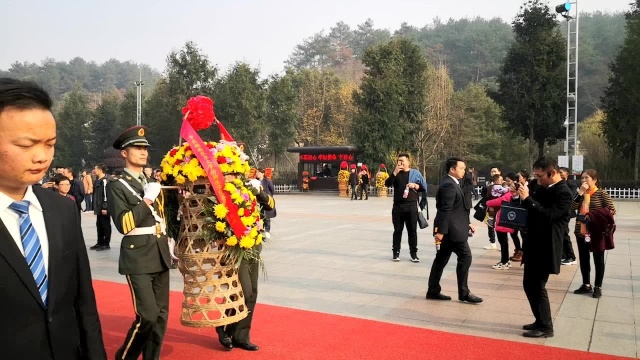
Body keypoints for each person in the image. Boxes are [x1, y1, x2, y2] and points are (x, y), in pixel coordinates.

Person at [0, 78, 106, 359]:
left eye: (49, 144)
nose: (42, 157)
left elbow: (83, 302)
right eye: (26, 145)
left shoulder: (62, 210)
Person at [106, 125, 172, 360]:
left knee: (161, 316)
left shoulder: (151, 182)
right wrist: (146, 200)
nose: (143, 152)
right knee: (148, 316)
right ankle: (125, 357)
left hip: (160, 253)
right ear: (124, 153)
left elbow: (164, 218)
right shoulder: (117, 185)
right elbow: (124, 225)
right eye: (137, 148)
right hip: (138, 257)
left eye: (145, 148)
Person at [216, 175, 275, 352]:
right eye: (229, 170)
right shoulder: (220, 192)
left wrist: (259, 191)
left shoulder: (249, 189)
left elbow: (271, 207)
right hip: (234, 248)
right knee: (241, 291)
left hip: (253, 245)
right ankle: (224, 328)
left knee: (252, 293)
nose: (232, 175)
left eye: (237, 171)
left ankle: (241, 336)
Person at [518, 156, 572, 338]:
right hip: (534, 243)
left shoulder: (564, 192)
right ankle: (539, 320)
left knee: (537, 286)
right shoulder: (542, 187)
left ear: (553, 173)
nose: (537, 179)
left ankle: (546, 326)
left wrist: (528, 200)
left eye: (540, 176)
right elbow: (532, 208)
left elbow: (549, 216)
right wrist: (522, 195)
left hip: (547, 246)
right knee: (528, 284)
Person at [426, 157, 482, 304]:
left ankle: (433, 290)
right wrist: (441, 233)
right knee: (465, 256)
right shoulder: (449, 185)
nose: (464, 171)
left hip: (452, 228)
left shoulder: (451, 182)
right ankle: (464, 292)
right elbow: (445, 210)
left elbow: (457, 208)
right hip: (451, 231)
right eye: (462, 168)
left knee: (441, 259)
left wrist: (468, 223)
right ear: (452, 169)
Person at [571, 169, 616, 298]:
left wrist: (592, 215)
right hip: (582, 231)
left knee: (598, 259)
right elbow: (572, 207)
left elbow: (611, 210)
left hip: (596, 232)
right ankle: (586, 284)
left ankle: (598, 286)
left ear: (595, 180)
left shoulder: (601, 193)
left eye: (587, 178)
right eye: (582, 178)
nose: (584, 181)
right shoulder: (580, 194)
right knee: (584, 259)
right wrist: (580, 193)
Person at [384, 153, 427, 262]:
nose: (400, 163)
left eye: (402, 161)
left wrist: (416, 186)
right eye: (399, 161)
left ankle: (413, 254)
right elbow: (387, 184)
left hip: (412, 206)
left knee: (412, 231)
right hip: (398, 207)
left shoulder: (415, 173)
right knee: (397, 230)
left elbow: (423, 187)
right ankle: (396, 252)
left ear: (408, 162)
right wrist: (394, 173)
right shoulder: (396, 174)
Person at [558, 167, 577, 265]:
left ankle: (571, 256)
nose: (560, 174)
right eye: (559, 172)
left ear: (567, 174)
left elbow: (571, 197)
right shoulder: (558, 184)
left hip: (567, 213)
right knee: (560, 233)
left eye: (561, 172)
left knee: (564, 233)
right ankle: (563, 255)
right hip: (558, 212)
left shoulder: (571, 184)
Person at [91, 163, 111, 251]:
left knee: (105, 225)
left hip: (103, 207)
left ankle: (106, 243)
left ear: (100, 170)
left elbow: (106, 195)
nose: (94, 171)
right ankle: (100, 242)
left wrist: (105, 207)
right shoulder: (97, 180)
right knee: (99, 225)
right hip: (98, 207)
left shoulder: (105, 180)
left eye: (96, 169)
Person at [255, 168, 276, 239]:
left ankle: (267, 231)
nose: (257, 174)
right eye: (257, 172)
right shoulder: (256, 181)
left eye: (258, 172)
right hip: (258, 201)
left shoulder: (267, 181)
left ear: (263, 174)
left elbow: (272, 190)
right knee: (259, 216)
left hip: (266, 201)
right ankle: (260, 230)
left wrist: (268, 197)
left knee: (266, 217)